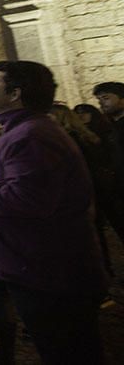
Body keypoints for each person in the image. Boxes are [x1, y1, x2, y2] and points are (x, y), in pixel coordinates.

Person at [0, 61, 107, 364]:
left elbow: (26, 200)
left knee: (67, 352)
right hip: (33, 265)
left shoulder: (31, 135)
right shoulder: (21, 131)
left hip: (48, 270)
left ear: (15, 93)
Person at [50, 104, 124, 278]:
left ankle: (103, 270)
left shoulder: (68, 139)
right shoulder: (85, 135)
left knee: (96, 231)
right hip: (100, 188)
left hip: (89, 189)